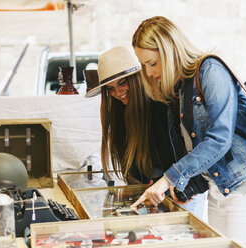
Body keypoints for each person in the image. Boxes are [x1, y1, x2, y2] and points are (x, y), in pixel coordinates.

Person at [131, 16, 246, 247]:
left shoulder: (211, 70)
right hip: (217, 190)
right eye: (144, 66)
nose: (148, 73)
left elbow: (220, 140)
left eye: (152, 63)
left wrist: (168, 178)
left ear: (170, 51)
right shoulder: (178, 90)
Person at [85, 46, 205, 217]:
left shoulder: (162, 103)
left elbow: (182, 154)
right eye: (110, 89)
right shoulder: (119, 112)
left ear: (136, 78)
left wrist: (169, 186)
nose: (117, 92)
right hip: (153, 195)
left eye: (122, 82)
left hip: (182, 191)